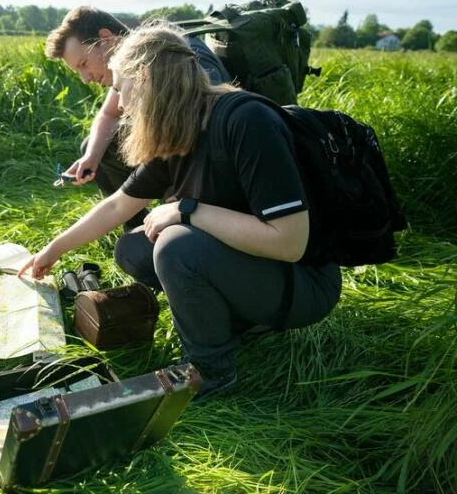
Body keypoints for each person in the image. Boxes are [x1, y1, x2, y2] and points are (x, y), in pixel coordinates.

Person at [23, 22, 341, 398]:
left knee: (174, 244)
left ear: (144, 77)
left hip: (302, 284)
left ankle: (213, 371)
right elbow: (119, 206)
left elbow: (289, 242)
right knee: (134, 248)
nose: (120, 105)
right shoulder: (178, 127)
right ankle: (239, 323)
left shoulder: (245, 121)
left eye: (121, 89)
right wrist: (53, 251)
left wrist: (187, 210)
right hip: (254, 265)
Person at [45, 6, 230, 229]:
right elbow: (109, 113)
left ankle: (177, 220)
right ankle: (136, 227)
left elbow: (204, 129)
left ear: (106, 38)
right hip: (172, 150)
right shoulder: (131, 65)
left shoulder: (175, 55)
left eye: (83, 64)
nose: (85, 79)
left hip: (206, 163)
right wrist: (92, 158)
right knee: (95, 146)